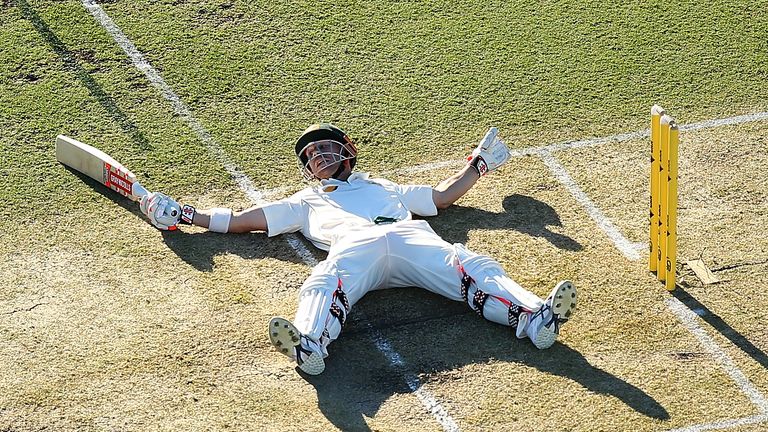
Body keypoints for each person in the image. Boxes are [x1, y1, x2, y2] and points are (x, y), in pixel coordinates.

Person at [139, 123, 577, 375]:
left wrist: (479, 164)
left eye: (325, 148)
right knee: (323, 279)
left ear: (348, 150)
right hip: (354, 249)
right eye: (310, 156)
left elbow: (442, 198)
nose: (318, 158)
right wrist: (186, 214)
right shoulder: (303, 201)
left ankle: (535, 318)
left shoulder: (386, 186)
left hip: (412, 239)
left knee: (469, 263)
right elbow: (239, 221)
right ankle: (309, 345)